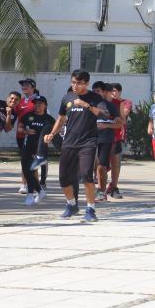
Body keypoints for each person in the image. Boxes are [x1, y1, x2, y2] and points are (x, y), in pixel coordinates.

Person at [45, 69, 109, 223]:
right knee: (63, 179)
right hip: (69, 142)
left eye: (79, 83)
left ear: (86, 83)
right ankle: (72, 205)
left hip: (88, 142)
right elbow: (61, 119)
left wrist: (87, 105)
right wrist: (52, 134)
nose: (75, 86)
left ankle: (91, 209)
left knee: (86, 176)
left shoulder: (95, 98)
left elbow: (103, 114)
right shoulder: (67, 97)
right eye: (73, 82)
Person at [19, 96, 55, 206]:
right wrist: (25, 131)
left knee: (31, 170)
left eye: (40, 103)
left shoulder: (49, 119)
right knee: (26, 171)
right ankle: (40, 191)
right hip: (27, 147)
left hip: (40, 150)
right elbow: (19, 129)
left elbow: (55, 133)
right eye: (36, 103)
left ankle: (30, 194)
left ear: (45, 105)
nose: (38, 105)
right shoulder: (28, 116)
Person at [93, 82, 123, 201]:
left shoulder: (110, 106)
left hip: (105, 139)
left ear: (104, 92)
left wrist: (107, 126)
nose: (96, 93)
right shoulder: (89, 104)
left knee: (102, 166)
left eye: (98, 91)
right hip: (89, 139)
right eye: (94, 91)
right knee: (90, 166)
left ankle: (101, 191)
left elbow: (119, 123)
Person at [108, 82, 130, 198]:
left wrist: (116, 114)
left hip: (118, 136)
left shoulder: (124, 103)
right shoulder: (102, 103)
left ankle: (114, 187)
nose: (113, 93)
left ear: (120, 92)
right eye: (111, 91)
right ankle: (102, 187)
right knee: (102, 164)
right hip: (103, 137)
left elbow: (124, 116)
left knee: (116, 164)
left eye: (115, 91)